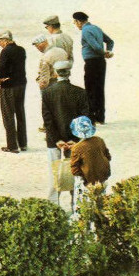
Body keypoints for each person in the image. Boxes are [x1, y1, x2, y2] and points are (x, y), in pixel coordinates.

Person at [42, 61, 90, 207]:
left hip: (53, 141)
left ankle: (53, 207)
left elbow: (47, 119)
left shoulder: (47, 92)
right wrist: (75, 139)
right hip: (74, 140)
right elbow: (84, 118)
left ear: (56, 73)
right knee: (75, 173)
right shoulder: (80, 92)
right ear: (69, 72)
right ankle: (76, 206)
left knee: (54, 174)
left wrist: (56, 139)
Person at [58, 116, 112, 207]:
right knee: (101, 202)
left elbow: (74, 169)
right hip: (102, 177)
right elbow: (108, 156)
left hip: (87, 181)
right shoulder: (99, 140)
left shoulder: (77, 148)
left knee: (85, 204)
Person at [72, 11, 114, 124]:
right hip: (101, 62)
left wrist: (104, 52)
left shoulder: (85, 31)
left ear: (79, 22)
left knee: (90, 89)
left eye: (75, 22)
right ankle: (101, 116)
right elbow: (110, 41)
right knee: (99, 88)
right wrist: (108, 51)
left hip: (91, 62)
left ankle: (91, 117)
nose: (75, 25)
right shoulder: (96, 28)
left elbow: (94, 46)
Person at [0, 31, 27, 153]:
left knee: (8, 115)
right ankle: (23, 143)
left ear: (5, 40)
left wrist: (2, 77)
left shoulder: (6, 51)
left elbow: (1, 67)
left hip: (9, 86)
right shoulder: (21, 50)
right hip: (21, 84)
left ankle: (12, 145)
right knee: (20, 113)